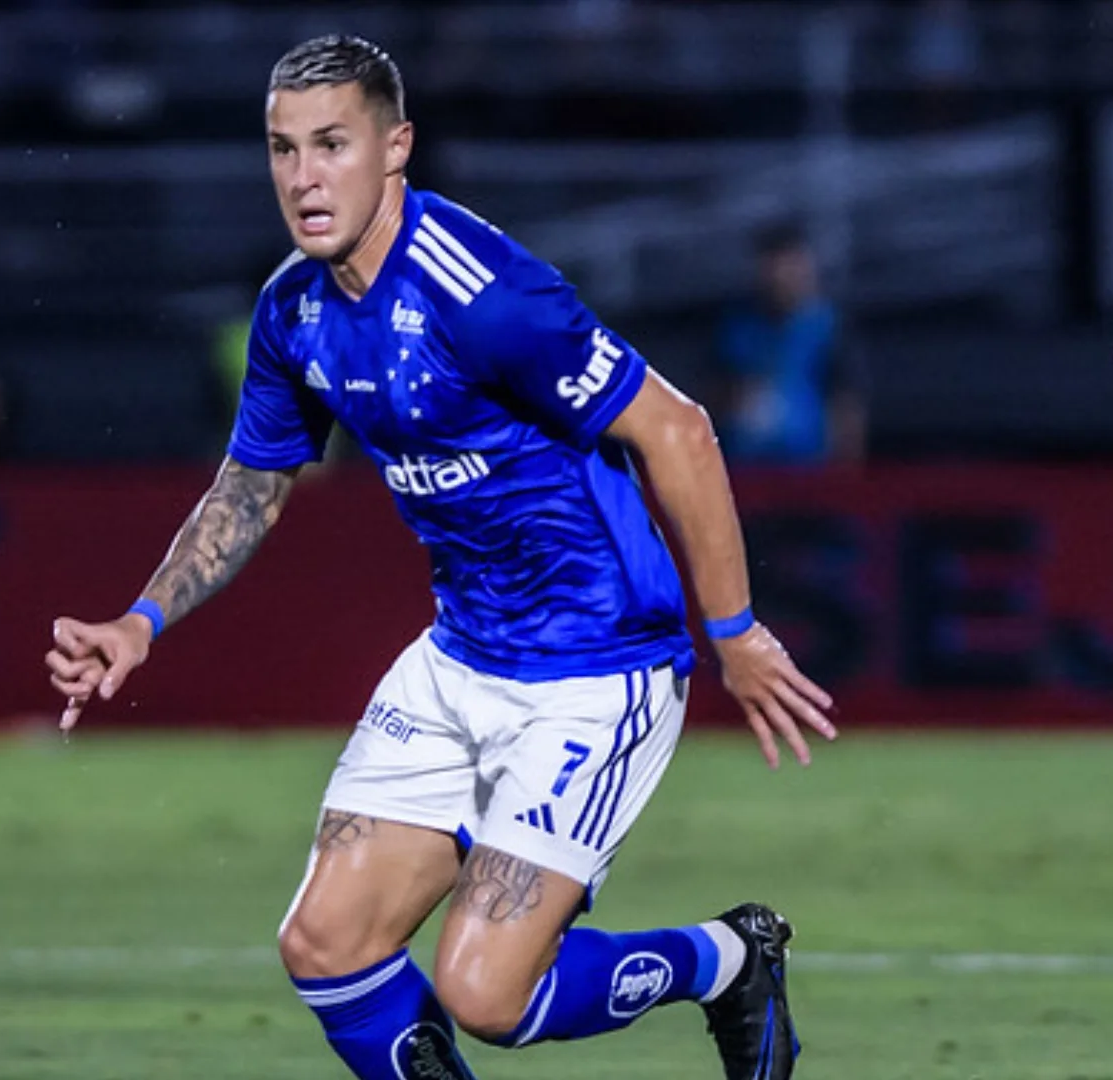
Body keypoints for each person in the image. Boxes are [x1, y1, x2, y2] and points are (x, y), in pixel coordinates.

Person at [45, 34, 834, 1080]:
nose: (303, 177)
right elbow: (253, 485)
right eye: (283, 150)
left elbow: (677, 430)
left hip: (597, 666)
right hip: (462, 657)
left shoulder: (483, 293)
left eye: (332, 144)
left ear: (395, 147)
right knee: (325, 946)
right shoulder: (294, 310)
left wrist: (732, 631)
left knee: (486, 993)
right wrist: (139, 620)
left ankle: (727, 963)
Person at [712, 224, 866, 466]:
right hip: (744, 471)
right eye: (773, 268)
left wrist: (846, 474)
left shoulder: (828, 327)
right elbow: (709, 394)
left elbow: (845, 406)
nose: (781, 278)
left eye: (790, 267)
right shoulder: (734, 327)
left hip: (809, 472)